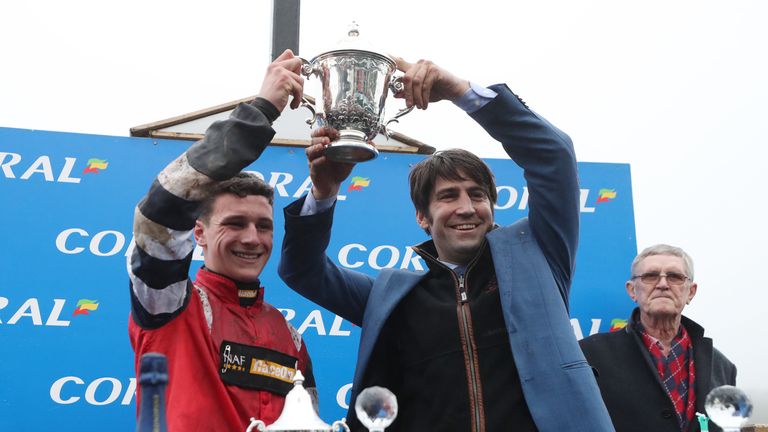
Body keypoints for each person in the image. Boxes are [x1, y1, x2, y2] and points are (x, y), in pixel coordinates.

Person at [278, 57, 613, 431]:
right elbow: (303, 270)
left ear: (492, 205)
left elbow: (553, 155)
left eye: (476, 195)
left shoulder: (538, 254)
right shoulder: (393, 298)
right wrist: (324, 192)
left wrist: (460, 92)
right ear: (423, 217)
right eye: (448, 196)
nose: (466, 208)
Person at [127, 49, 317, 431]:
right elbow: (159, 213)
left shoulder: (290, 336)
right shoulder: (170, 304)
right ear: (199, 232)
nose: (252, 238)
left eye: (263, 226)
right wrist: (260, 111)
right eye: (235, 223)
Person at [579, 244, 737, 432]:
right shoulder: (589, 355)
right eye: (650, 276)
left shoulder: (722, 367)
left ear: (691, 292)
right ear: (632, 290)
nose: (663, 284)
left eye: (675, 277)